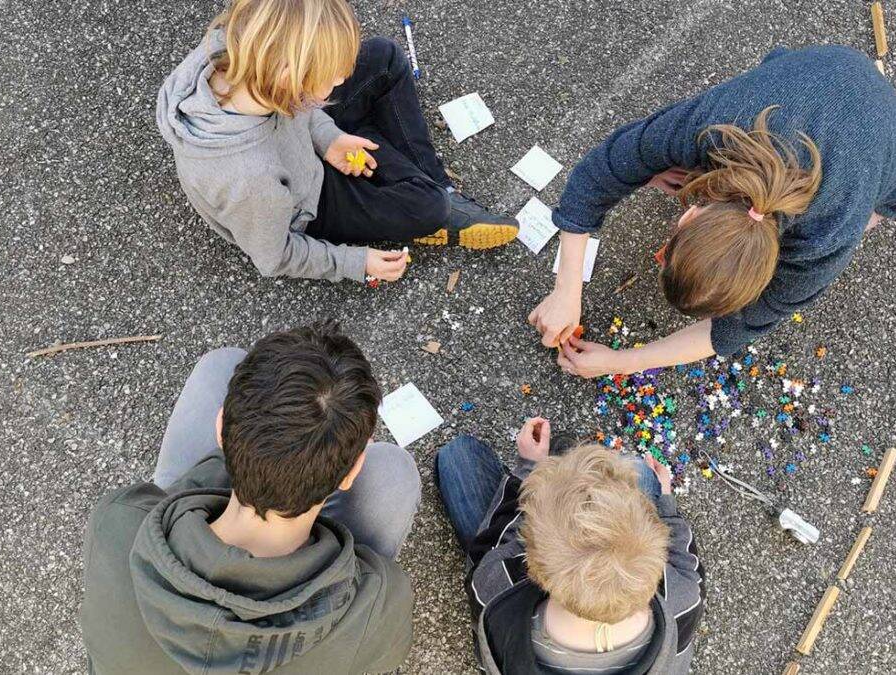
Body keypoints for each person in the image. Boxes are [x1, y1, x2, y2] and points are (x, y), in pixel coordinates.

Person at [529, 46, 896, 377]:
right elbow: (602, 172)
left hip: (888, 129)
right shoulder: (714, 126)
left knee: (874, 216)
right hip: (824, 68)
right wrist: (566, 291)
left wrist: (623, 362)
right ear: (690, 217)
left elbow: (740, 326)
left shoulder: (829, 235)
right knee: (655, 154)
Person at [80, 323, 421, 674]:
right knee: (394, 472)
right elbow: (389, 648)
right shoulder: (375, 605)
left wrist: (258, 458)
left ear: (220, 427)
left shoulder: (117, 521)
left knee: (220, 364)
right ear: (351, 472)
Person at [157, 0, 518, 285]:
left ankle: (432, 183)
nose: (342, 79)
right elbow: (275, 256)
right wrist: (355, 262)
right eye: (331, 77)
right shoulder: (253, 181)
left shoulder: (243, 49)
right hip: (307, 202)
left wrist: (329, 138)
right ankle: (436, 200)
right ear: (289, 78)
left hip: (299, 143)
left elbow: (294, 108)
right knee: (430, 209)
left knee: (385, 57)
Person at [435, 418, 705, 674]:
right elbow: (685, 561)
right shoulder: (683, 601)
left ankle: (555, 468)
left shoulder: (497, 592)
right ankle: (565, 474)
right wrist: (665, 503)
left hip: (515, 611)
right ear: (658, 545)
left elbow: (487, 550)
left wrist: (528, 467)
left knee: (457, 455)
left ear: (530, 562)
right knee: (641, 471)